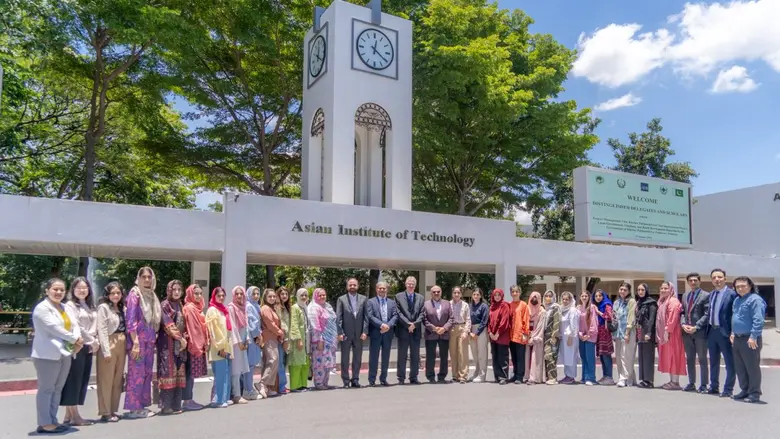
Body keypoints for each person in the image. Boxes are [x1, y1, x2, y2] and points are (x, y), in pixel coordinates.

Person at [31, 278, 82, 434]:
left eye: (62, 290)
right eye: (55, 289)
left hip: (65, 353)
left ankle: (53, 420)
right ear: (47, 290)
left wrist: (78, 339)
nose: (59, 292)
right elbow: (53, 328)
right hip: (46, 355)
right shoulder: (42, 308)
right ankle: (44, 423)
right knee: (46, 389)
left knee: (57, 389)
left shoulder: (65, 307)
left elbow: (75, 325)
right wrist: (75, 340)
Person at [60, 277, 98, 425]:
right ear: (73, 290)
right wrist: (92, 340)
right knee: (74, 380)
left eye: (85, 287)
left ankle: (68, 415)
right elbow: (76, 326)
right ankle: (75, 415)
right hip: (77, 345)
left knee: (81, 379)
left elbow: (93, 324)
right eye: (79, 287)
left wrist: (94, 340)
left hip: (88, 345)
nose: (82, 290)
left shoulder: (89, 305)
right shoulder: (70, 305)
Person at [124, 267, 161, 419]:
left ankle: (142, 405)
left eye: (149, 277)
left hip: (149, 341)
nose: (146, 279)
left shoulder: (151, 295)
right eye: (143, 277)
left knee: (146, 373)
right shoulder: (135, 295)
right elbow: (131, 320)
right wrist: (135, 342)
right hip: (138, 342)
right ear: (138, 278)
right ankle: (133, 408)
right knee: (136, 374)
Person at [731, 276, 766, 403]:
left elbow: (758, 320)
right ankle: (744, 390)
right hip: (737, 338)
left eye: (743, 286)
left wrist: (753, 336)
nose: (740, 288)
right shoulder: (737, 300)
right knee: (740, 367)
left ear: (750, 286)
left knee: (752, 367)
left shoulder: (755, 300)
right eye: (737, 286)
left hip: (750, 339)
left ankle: (754, 393)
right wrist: (733, 333)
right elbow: (735, 318)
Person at [96, 281, 127, 422]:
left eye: (118, 293)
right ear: (107, 294)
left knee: (117, 379)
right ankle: (105, 411)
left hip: (122, 342)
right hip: (109, 342)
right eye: (112, 293)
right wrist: (105, 350)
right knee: (106, 379)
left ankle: (114, 409)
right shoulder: (103, 308)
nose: (115, 295)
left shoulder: (122, 308)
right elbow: (101, 329)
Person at [157, 280, 188, 414]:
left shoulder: (180, 305)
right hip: (167, 345)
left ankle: (176, 405)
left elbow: (183, 324)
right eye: (174, 289)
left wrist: (184, 338)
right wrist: (180, 339)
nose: (176, 292)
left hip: (180, 345)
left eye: (179, 290)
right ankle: (166, 406)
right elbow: (168, 324)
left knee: (178, 373)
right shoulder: (165, 305)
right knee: (168, 372)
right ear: (169, 290)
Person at [707, 268, 737, 398]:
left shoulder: (732, 294)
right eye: (714, 278)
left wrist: (733, 332)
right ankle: (714, 386)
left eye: (719, 277)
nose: (717, 280)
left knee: (729, 362)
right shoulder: (712, 294)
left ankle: (728, 389)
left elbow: (735, 314)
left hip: (725, 332)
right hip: (712, 331)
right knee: (713, 361)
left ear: (725, 278)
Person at [681, 273, 710, 393]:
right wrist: (683, 324)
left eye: (695, 280)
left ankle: (703, 385)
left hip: (700, 333)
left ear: (699, 281)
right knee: (690, 359)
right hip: (687, 332)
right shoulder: (685, 295)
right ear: (688, 282)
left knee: (702, 359)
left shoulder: (706, 295)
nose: (693, 282)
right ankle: (691, 382)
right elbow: (682, 312)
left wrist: (696, 327)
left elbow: (707, 314)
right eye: (691, 280)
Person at [336, 278, 368, 388]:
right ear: (347, 287)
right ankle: (345, 381)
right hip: (345, 334)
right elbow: (339, 317)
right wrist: (339, 332)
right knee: (345, 358)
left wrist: (365, 331)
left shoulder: (364, 299)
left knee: (357, 358)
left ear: (358, 286)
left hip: (359, 334)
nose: (352, 287)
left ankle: (355, 379)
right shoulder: (341, 299)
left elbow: (366, 317)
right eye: (350, 285)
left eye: (354, 285)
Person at [182, 284, 209, 410]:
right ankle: (187, 401)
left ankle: (189, 399)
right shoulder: (190, 308)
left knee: (191, 375)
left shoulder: (198, 308)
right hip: (193, 345)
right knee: (189, 374)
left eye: (200, 293)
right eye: (196, 293)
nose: (198, 296)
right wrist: (197, 346)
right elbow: (193, 329)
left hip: (198, 344)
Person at [365, 282, 398, 386]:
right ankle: (372, 379)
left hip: (388, 333)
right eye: (380, 288)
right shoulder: (370, 302)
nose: (382, 290)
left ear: (386, 290)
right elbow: (370, 316)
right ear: (376, 289)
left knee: (386, 357)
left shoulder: (392, 303)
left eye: (384, 288)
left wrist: (388, 326)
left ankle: (383, 379)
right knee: (373, 357)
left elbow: (395, 315)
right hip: (376, 332)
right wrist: (382, 325)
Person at [206, 287, 234, 407]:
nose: (221, 298)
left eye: (223, 295)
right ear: (214, 296)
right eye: (219, 296)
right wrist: (220, 346)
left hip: (226, 346)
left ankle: (224, 398)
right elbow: (214, 330)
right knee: (220, 374)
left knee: (226, 373)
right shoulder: (212, 310)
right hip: (218, 348)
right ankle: (218, 399)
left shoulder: (223, 310)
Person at [656, 281, 686, 390]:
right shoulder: (663, 301)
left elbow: (673, 318)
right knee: (669, 357)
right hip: (666, 334)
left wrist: (667, 331)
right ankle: (672, 381)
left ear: (671, 290)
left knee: (674, 356)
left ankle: (675, 382)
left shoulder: (673, 301)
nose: (663, 290)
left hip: (672, 334)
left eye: (666, 288)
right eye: (662, 288)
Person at [423, 285, 454, 383]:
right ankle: (430, 376)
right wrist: (434, 328)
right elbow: (424, 319)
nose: (436, 293)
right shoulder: (426, 304)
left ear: (441, 292)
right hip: (431, 334)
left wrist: (444, 328)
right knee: (430, 356)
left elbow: (451, 318)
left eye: (438, 291)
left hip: (444, 334)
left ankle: (442, 376)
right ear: (431, 293)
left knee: (444, 357)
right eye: (434, 292)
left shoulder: (447, 303)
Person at [396, 276, 424, 385]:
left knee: (415, 356)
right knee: (402, 355)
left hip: (415, 330)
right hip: (403, 330)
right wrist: (408, 324)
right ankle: (401, 378)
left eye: (413, 283)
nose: (411, 285)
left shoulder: (420, 298)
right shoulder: (398, 296)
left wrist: (415, 324)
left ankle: (414, 377)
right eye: (409, 283)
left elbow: (422, 313)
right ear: (405, 284)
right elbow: (398, 312)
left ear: (415, 285)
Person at [309, 288, 338, 390]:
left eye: (324, 295)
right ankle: (319, 383)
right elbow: (315, 326)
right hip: (320, 341)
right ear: (315, 296)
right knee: (319, 363)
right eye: (320, 295)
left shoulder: (327, 306)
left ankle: (325, 382)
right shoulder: (314, 308)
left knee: (327, 363)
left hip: (329, 340)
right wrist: (319, 340)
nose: (322, 297)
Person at [228, 286, 252, 403]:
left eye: (241, 294)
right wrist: (238, 342)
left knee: (242, 367)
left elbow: (246, 324)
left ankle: (239, 392)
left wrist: (246, 339)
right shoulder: (231, 308)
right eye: (237, 294)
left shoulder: (244, 307)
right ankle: (236, 395)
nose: (239, 296)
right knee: (236, 369)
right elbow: (232, 326)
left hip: (243, 340)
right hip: (236, 342)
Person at [259, 288, 283, 398]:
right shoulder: (265, 308)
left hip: (273, 337)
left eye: (274, 296)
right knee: (273, 360)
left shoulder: (271, 308)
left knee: (271, 361)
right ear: (265, 297)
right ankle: (263, 384)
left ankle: (266, 387)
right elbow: (270, 323)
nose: (272, 298)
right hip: (268, 337)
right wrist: (280, 332)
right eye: (270, 296)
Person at [613, 282, 637, 388]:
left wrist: (627, 332)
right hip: (618, 333)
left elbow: (631, 317)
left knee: (626, 356)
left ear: (629, 291)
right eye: (621, 289)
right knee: (618, 357)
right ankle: (627, 378)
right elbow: (614, 316)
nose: (622, 291)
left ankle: (625, 378)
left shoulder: (631, 302)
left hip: (628, 332)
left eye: (625, 290)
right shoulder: (617, 302)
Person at [289, 288, 312, 392]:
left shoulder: (305, 307)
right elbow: (294, 324)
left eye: (305, 295)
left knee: (305, 363)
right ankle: (295, 386)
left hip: (306, 339)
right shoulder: (295, 307)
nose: (303, 297)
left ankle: (303, 384)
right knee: (296, 363)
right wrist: (298, 339)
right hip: (299, 339)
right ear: (297, 296)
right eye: (301, 295)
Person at [635, 283, 657, 389]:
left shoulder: (651, 303)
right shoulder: (639, 302)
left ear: (646, 290)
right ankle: (643, 379)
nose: (640, 292)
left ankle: (649, 381)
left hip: (648, 332)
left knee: (648, 357)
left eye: (642, 290)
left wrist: (649, 333)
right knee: (642, 357)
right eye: (638, 290)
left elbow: (652, 319)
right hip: (640, 332)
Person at [488, 288, 512, 385]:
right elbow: (489, 321)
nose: (497, 297)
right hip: (493, 336)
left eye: (499, 295)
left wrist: (497, 334)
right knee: (495, 356)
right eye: (495, 295)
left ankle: (503, 377)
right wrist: (490, 333)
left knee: (502, 356)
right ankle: (497, 376)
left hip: (502, 336)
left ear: (501, 296)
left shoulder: (504, 306)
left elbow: (504, 322)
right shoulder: (492, 307)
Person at [449, 286, 471, 384]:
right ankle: (455, 375)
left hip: (462, 328)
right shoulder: (448, 304)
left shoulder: (465, 305)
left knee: (463, 353)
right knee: (453, 354)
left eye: (458, 293)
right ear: (452, 293)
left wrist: (466, 331)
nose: (456, 294)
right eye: (455, 292)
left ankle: (463, 376)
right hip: (452, 329)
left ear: (461, 294)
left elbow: (468, 319)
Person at [593, 289, 615, 385]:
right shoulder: (595, 305)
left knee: (606, 355)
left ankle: (609, 377)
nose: (598, 298)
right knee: (601, 355)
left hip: (605, 332)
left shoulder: (607, 304)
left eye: (600, 296)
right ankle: (605, 375)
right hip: (599, 332)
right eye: (596, 296)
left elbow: (608, 316)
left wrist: (598, 312)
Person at [508, 286, 529, 384]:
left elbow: (526, 319)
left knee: (520, 357)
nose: (515, 293)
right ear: (511, 293)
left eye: (516, 291)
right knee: (514, 356)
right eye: (513, 292)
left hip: (520, 334)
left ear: (520, 293)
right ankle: (515, 374)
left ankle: (520, 376)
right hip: (511, 335)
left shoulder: (523, 305)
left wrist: (525, 333)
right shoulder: (510, 305)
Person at [468, 288, 489, 383]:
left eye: (477, 294)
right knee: (475, 354)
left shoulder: (484, 306)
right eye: (474, 294)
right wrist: (470, 332)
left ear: (481, 296)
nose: (476, 296)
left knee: (482, 354)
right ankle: (476, 373)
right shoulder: (470, 306)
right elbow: (467, 319)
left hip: (481, 330)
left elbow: (484, 321)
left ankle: (482, 375)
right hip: (471, 330)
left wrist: (477, 333)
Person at [245, 287, 263, 396]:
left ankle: (249, 387)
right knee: (250, 365)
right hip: (252, 338)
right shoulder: (249, 306)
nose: (256, 296)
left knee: (251, 365)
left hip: (255, 337)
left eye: (257, 293)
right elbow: (252, 324)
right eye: (253, 294)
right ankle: (248, 389)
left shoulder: (256, 305)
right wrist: (257, 336)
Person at [525, 291, 546, 385]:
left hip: (537, 338)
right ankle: (527, 376)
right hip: (527, 337)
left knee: (535, 358)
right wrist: (527, 335)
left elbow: (541, 327)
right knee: (527, 358)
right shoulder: (526, 310)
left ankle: (535, 378)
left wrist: (532, 338)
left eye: (536, 297)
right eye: (532, 297)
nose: (534, 299)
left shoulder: (542, 311)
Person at [577, 291, 598, 386]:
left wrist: (589, 334)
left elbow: (594, 322)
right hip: (581, 336)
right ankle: (584, 377)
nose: (584, 297)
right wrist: (580, 334)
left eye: (586, 296)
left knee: (590, 358)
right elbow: (578, 323)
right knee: (583, 357)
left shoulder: (592, 307)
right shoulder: (579, 308)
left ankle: (591, 378)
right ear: (580, 297)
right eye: (582, 296)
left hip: (590, 336)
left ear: (589, 297)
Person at [558, 291, 579, 384]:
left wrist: (571, 336)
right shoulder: (562, 309)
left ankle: (571, 376)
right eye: (563, 299)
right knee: (566, 356)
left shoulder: (572, 310)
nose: (565, 301)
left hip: (570, 337)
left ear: (570, 300)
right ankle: (567, 375)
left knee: (571, 356)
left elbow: (574, 325)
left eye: (567, 299)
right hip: (564, 337)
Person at [542, 290, 561, 385]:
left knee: (551, 356)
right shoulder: (545, 308)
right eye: (546, 296)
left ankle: (553, 377)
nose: (548, 298)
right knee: (547, 356)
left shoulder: (556, 308)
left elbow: (557, 323)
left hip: (553, 336)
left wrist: (554, 336)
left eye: (550, 296)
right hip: (545, 336)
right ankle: (548, 376)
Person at [276, 287, 292, 394]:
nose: (284, 296)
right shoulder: (278, 307)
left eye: (286, 294)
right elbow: (281, 324)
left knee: (283, 362)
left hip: (286, 338)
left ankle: (282, 385)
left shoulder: (286, 307)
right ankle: (281, 386)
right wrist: (285, 339)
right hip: (281, 339)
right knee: (280, 363)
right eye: (282, 294)